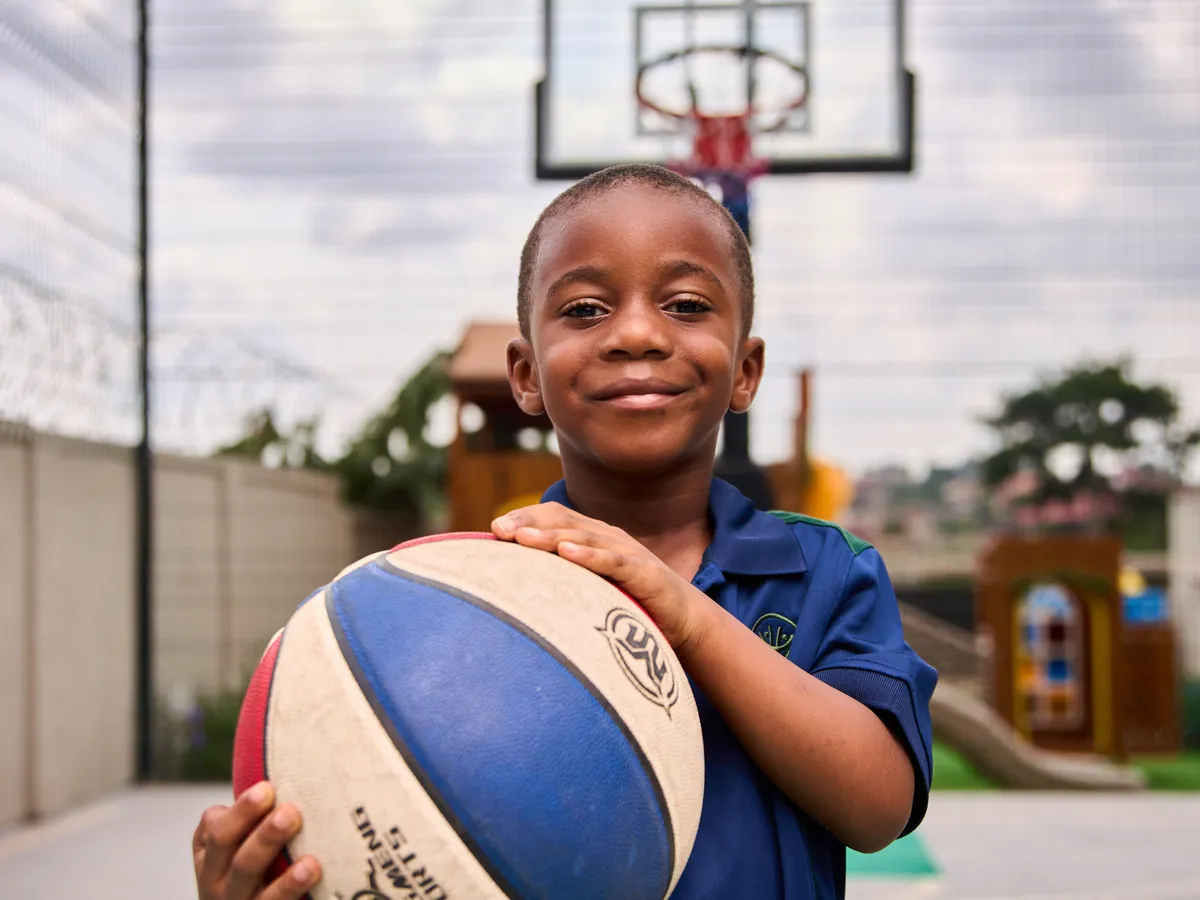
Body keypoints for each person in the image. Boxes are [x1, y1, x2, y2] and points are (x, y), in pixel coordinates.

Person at [192, 163, 937, 900]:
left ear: (746, 369)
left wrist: (688, 619)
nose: (637, 333)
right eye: (584, 310)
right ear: (525, 375)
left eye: (685, 304)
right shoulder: (472, 599)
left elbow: (879, 808)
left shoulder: (823, 570)